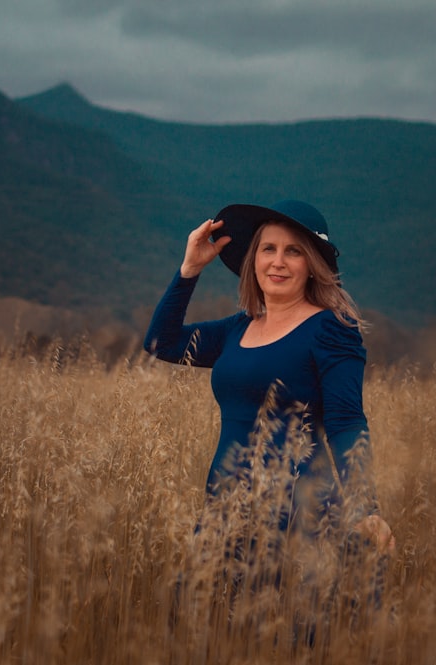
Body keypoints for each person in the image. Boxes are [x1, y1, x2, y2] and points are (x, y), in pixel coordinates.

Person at [144, 199, 394, 558]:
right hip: (223, 514)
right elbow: (160, 343)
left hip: (300, 519)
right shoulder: (238, 328)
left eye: (293, 251)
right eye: (268, 249)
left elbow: (346, 422)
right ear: (253, 260)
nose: (277, 261)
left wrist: (365, 507)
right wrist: (189, 269)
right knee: (203, 613)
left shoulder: (332, 329)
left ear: (312, 265)